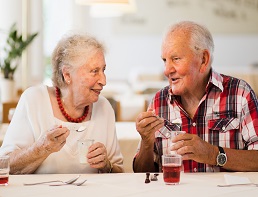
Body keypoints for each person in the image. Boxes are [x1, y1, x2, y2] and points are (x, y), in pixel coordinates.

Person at [133, 21, 258, 173]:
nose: (166, 70)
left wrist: (212, 154)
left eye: (176, 59)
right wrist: (146, 143)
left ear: (203, 59)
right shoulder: (159, 101)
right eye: (165, 60)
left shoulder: (240, 94)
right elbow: (141, 174)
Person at [0, 33, 124, 174]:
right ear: (67, 74)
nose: (104, 80)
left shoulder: (104, 107)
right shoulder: (34, 100)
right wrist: (40, 149)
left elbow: (119, 172)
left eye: (103, 70)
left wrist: (106, 165)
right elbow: (4, 165)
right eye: (94, 71)